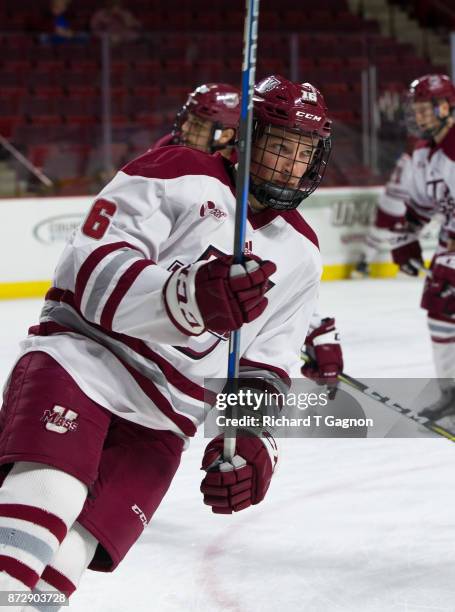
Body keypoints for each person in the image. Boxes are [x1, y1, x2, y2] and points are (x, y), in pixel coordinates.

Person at [0, 74, 335, 604]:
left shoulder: (303, 252)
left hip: (163, 421)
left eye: (302, 152)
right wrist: (188, 298)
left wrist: (251, 444)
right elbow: (89, 268)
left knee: (70, 555)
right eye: (279, 146)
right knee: (47, 499)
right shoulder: (176, 172)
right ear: (248, 140)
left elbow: (264, 367)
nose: (289, 164)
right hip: (83, 364)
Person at [389, 74, 455, 421]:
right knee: (441, 308)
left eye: (424, 109)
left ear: (445, 107)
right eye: (414, 110)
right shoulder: (423, 153)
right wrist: (406, 237)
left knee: (444, 289)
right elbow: (421, 205)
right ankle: (450, 391)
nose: (418, 117)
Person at [351, 140, 414, 278]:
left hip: (387, 199)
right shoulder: (418, 162)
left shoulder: (404, 158)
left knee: (377, 232)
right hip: (400, 203)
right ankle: (404, 266)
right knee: (404, 235)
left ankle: (362, 264)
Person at [152, 82, 241, 160]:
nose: (184, 128)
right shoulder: (168, 144)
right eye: (188, 119)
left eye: (197, 124)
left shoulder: (241, 173)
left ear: (225, 136)